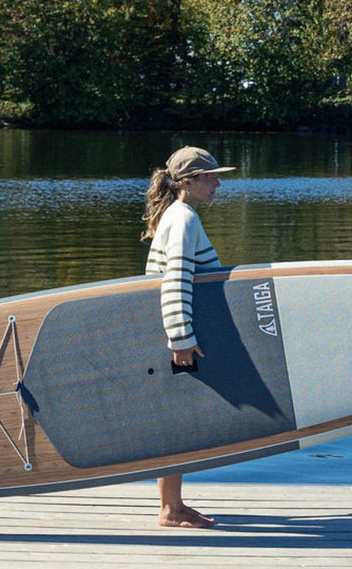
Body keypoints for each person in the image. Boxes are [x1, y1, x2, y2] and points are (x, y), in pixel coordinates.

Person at [141, 145, 235, 529]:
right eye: (210, 178)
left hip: (177, 331)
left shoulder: (179, 214)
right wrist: (181, 339)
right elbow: (175, 279)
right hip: (179, 334)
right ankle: (170, 509)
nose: (216, 184)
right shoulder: (182, 219)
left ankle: (172, 506)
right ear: (188, 182)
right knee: (180, 421)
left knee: (178, 419)